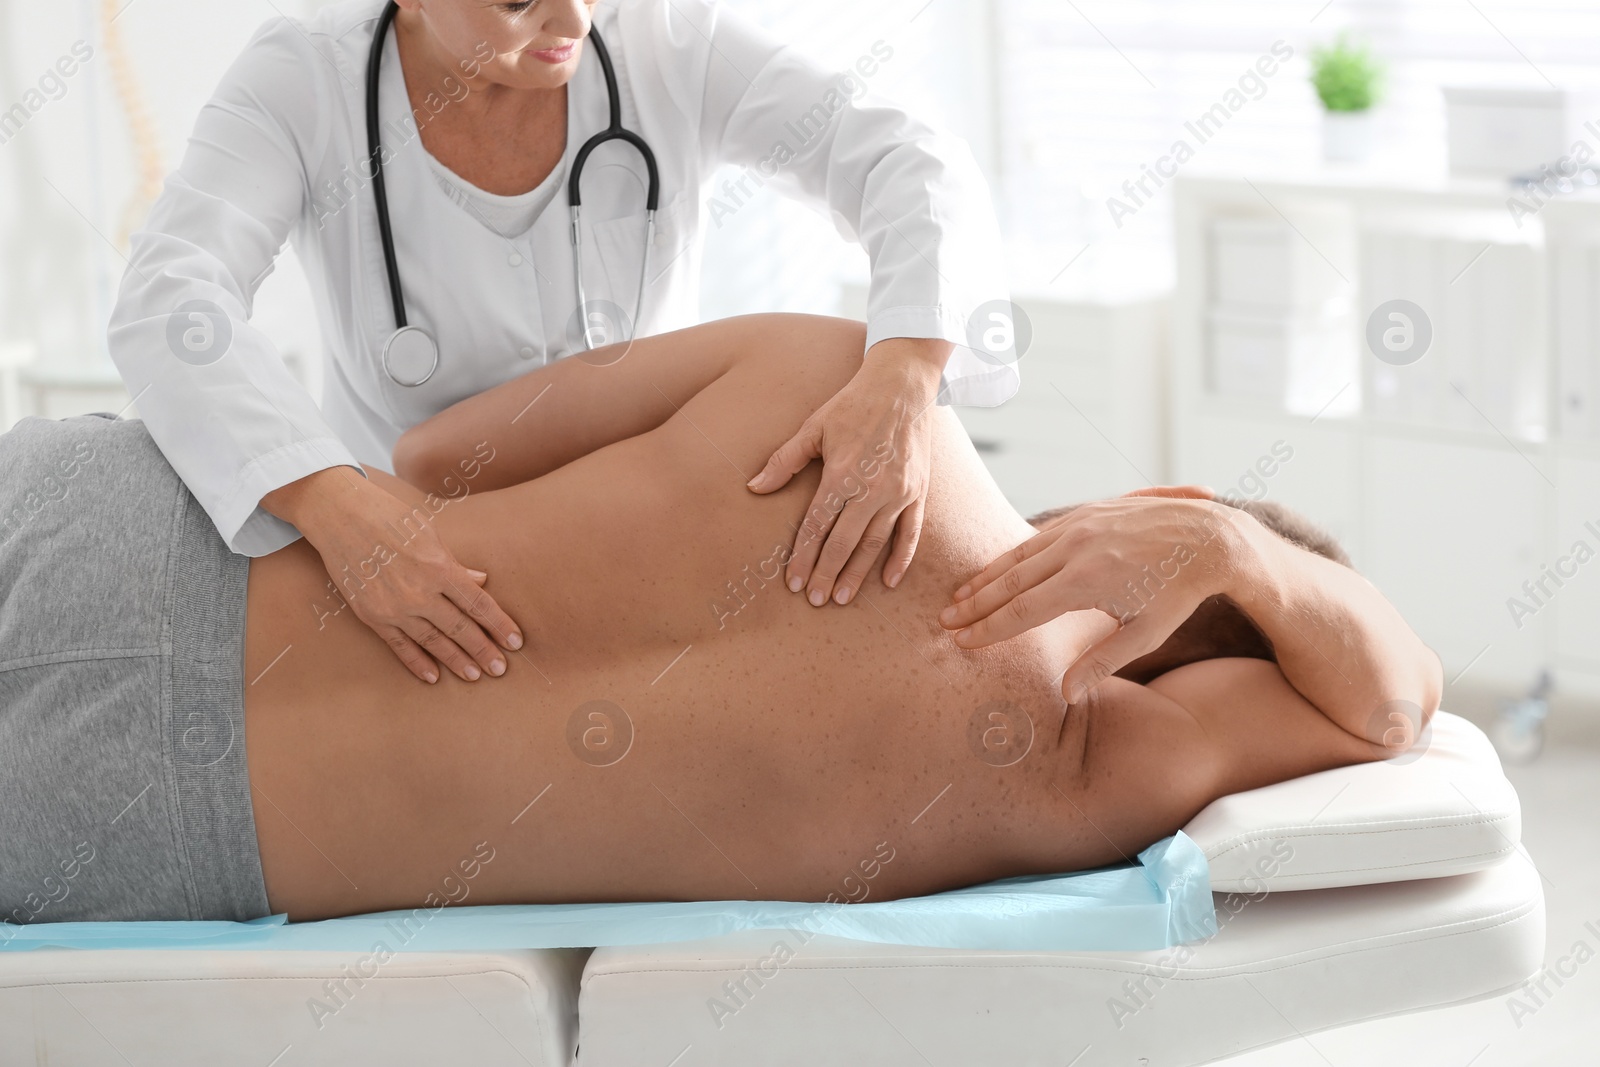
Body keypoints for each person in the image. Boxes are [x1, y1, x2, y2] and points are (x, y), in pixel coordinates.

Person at [0, 315, 1440, 926]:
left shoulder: (834, 374)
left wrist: (1209, 520)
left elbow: (436, 459)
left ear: (1157, 497)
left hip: (142, 530)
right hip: (164, 820)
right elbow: (1390, 703)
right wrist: (1231, 551)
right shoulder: (1065, 769)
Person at [106, 0, 1014, 691]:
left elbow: (907, 158)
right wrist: (330, 504)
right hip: (412, 574)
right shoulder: (304, 80)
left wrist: (902, 370)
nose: (573, 21)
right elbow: (172, 296)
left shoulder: (661, 38)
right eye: (517, 0)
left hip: (656, 547)